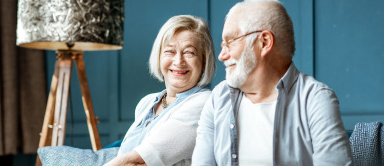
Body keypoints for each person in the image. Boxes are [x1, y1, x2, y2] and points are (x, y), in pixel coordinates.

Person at [192, 0, 353, 166]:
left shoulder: (316, 99)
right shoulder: (218, 98)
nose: (222, 55)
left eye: (230, 42)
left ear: (264, 42)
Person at [104, 15, 216, 166]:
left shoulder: (205, 103)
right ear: (159, 57)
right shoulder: (147, 102)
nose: (178, 61)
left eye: (189, 52)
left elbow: (139, 160)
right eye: (170, 51)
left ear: (204, 61)